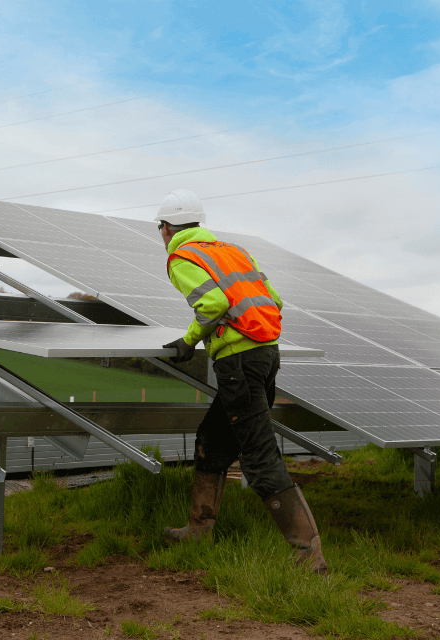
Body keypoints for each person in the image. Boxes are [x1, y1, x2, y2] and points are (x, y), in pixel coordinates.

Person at [156, 189, 327, 574]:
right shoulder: (233, 252)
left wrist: (188, 342)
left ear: (167, 228)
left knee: (259, 457)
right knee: (213, 438)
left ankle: (309, 557)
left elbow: (213, 304)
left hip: (238, 364)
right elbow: (274, 301)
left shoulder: (182, 257)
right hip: (266, 355)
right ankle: (198, 531)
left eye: (161, 228)